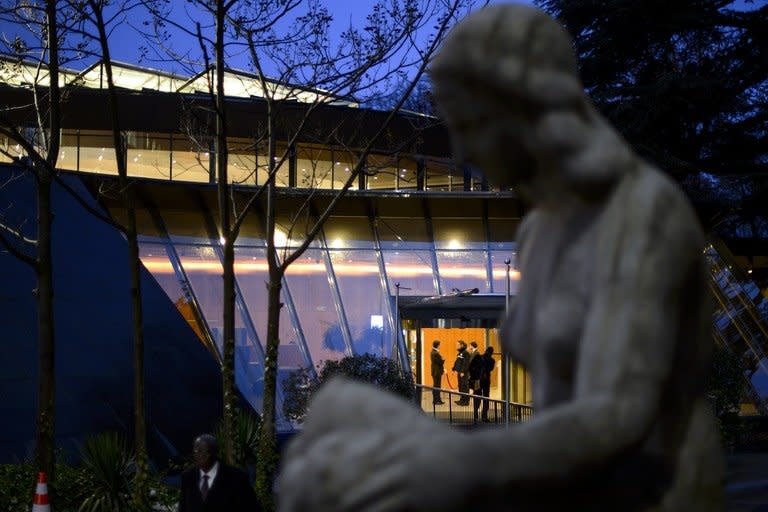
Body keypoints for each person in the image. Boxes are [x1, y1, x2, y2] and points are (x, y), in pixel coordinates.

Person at [278, 5, 724, 511]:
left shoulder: (642, 212)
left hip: (651, 489)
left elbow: (621, 410)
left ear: (525, 103)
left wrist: (459, 459)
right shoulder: (539, 230)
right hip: (569, 481)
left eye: (469, 121)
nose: (462, 145)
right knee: (342, 411)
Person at [179, 434, 260, 512]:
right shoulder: (188, 477)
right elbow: (183, 508)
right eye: (195, 451)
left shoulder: (237, 478)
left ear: (213, 453)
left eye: (200, 451)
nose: (196, 455)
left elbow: (251, 509)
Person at [473, 346, 495, 422]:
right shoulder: (492, 360)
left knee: (476, 397)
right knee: (486, 398)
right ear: (492, 353)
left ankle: (475, 414)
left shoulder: (479, 357)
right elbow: (491, 369)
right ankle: (484, 416)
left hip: (477, 380)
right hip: (486, 381)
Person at [451, 340, 470, 405]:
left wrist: (462, 371)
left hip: (463, 373)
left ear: (462, 345)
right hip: (459, 372)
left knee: (464, 387)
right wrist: (454, 369)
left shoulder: (466, 353)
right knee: (460, 386)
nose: (456, 346)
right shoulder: (460, 353)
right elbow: (457, 362)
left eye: (458, 344)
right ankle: (462, 399)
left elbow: (466, 363)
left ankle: (466, 401)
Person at [430, 340, 445, 405]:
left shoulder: (433, 352)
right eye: (439, 344)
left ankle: (438, 400)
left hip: (435, 372)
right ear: (438, 345)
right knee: (436, 387)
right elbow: (440, 362)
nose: (440, 346)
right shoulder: (435, 353)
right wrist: (443, 359)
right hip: (437, 372)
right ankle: (436, 400)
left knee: (437, 386)